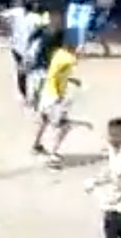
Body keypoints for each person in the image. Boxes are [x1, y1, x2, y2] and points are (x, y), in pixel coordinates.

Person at [33, 33, 90, 166]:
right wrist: (59, 97)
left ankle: (36, 145)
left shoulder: (59, 54)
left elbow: (56, 73)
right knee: (64, 126)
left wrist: (71, 79)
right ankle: (53, 155)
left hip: (46, 92)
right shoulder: (70, 59)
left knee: (44, 120)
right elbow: (69, 65)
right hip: (54, 96)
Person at [1, 0, 48, 104]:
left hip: (17, 47)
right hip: (29, 49)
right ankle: (33, 95)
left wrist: (9, 27)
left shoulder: (16, 12)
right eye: (35, 3)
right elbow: (44, 29)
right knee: (35, 72)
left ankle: (24, 95)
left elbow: (2, 16)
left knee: (21, 72)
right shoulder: (36, 18)